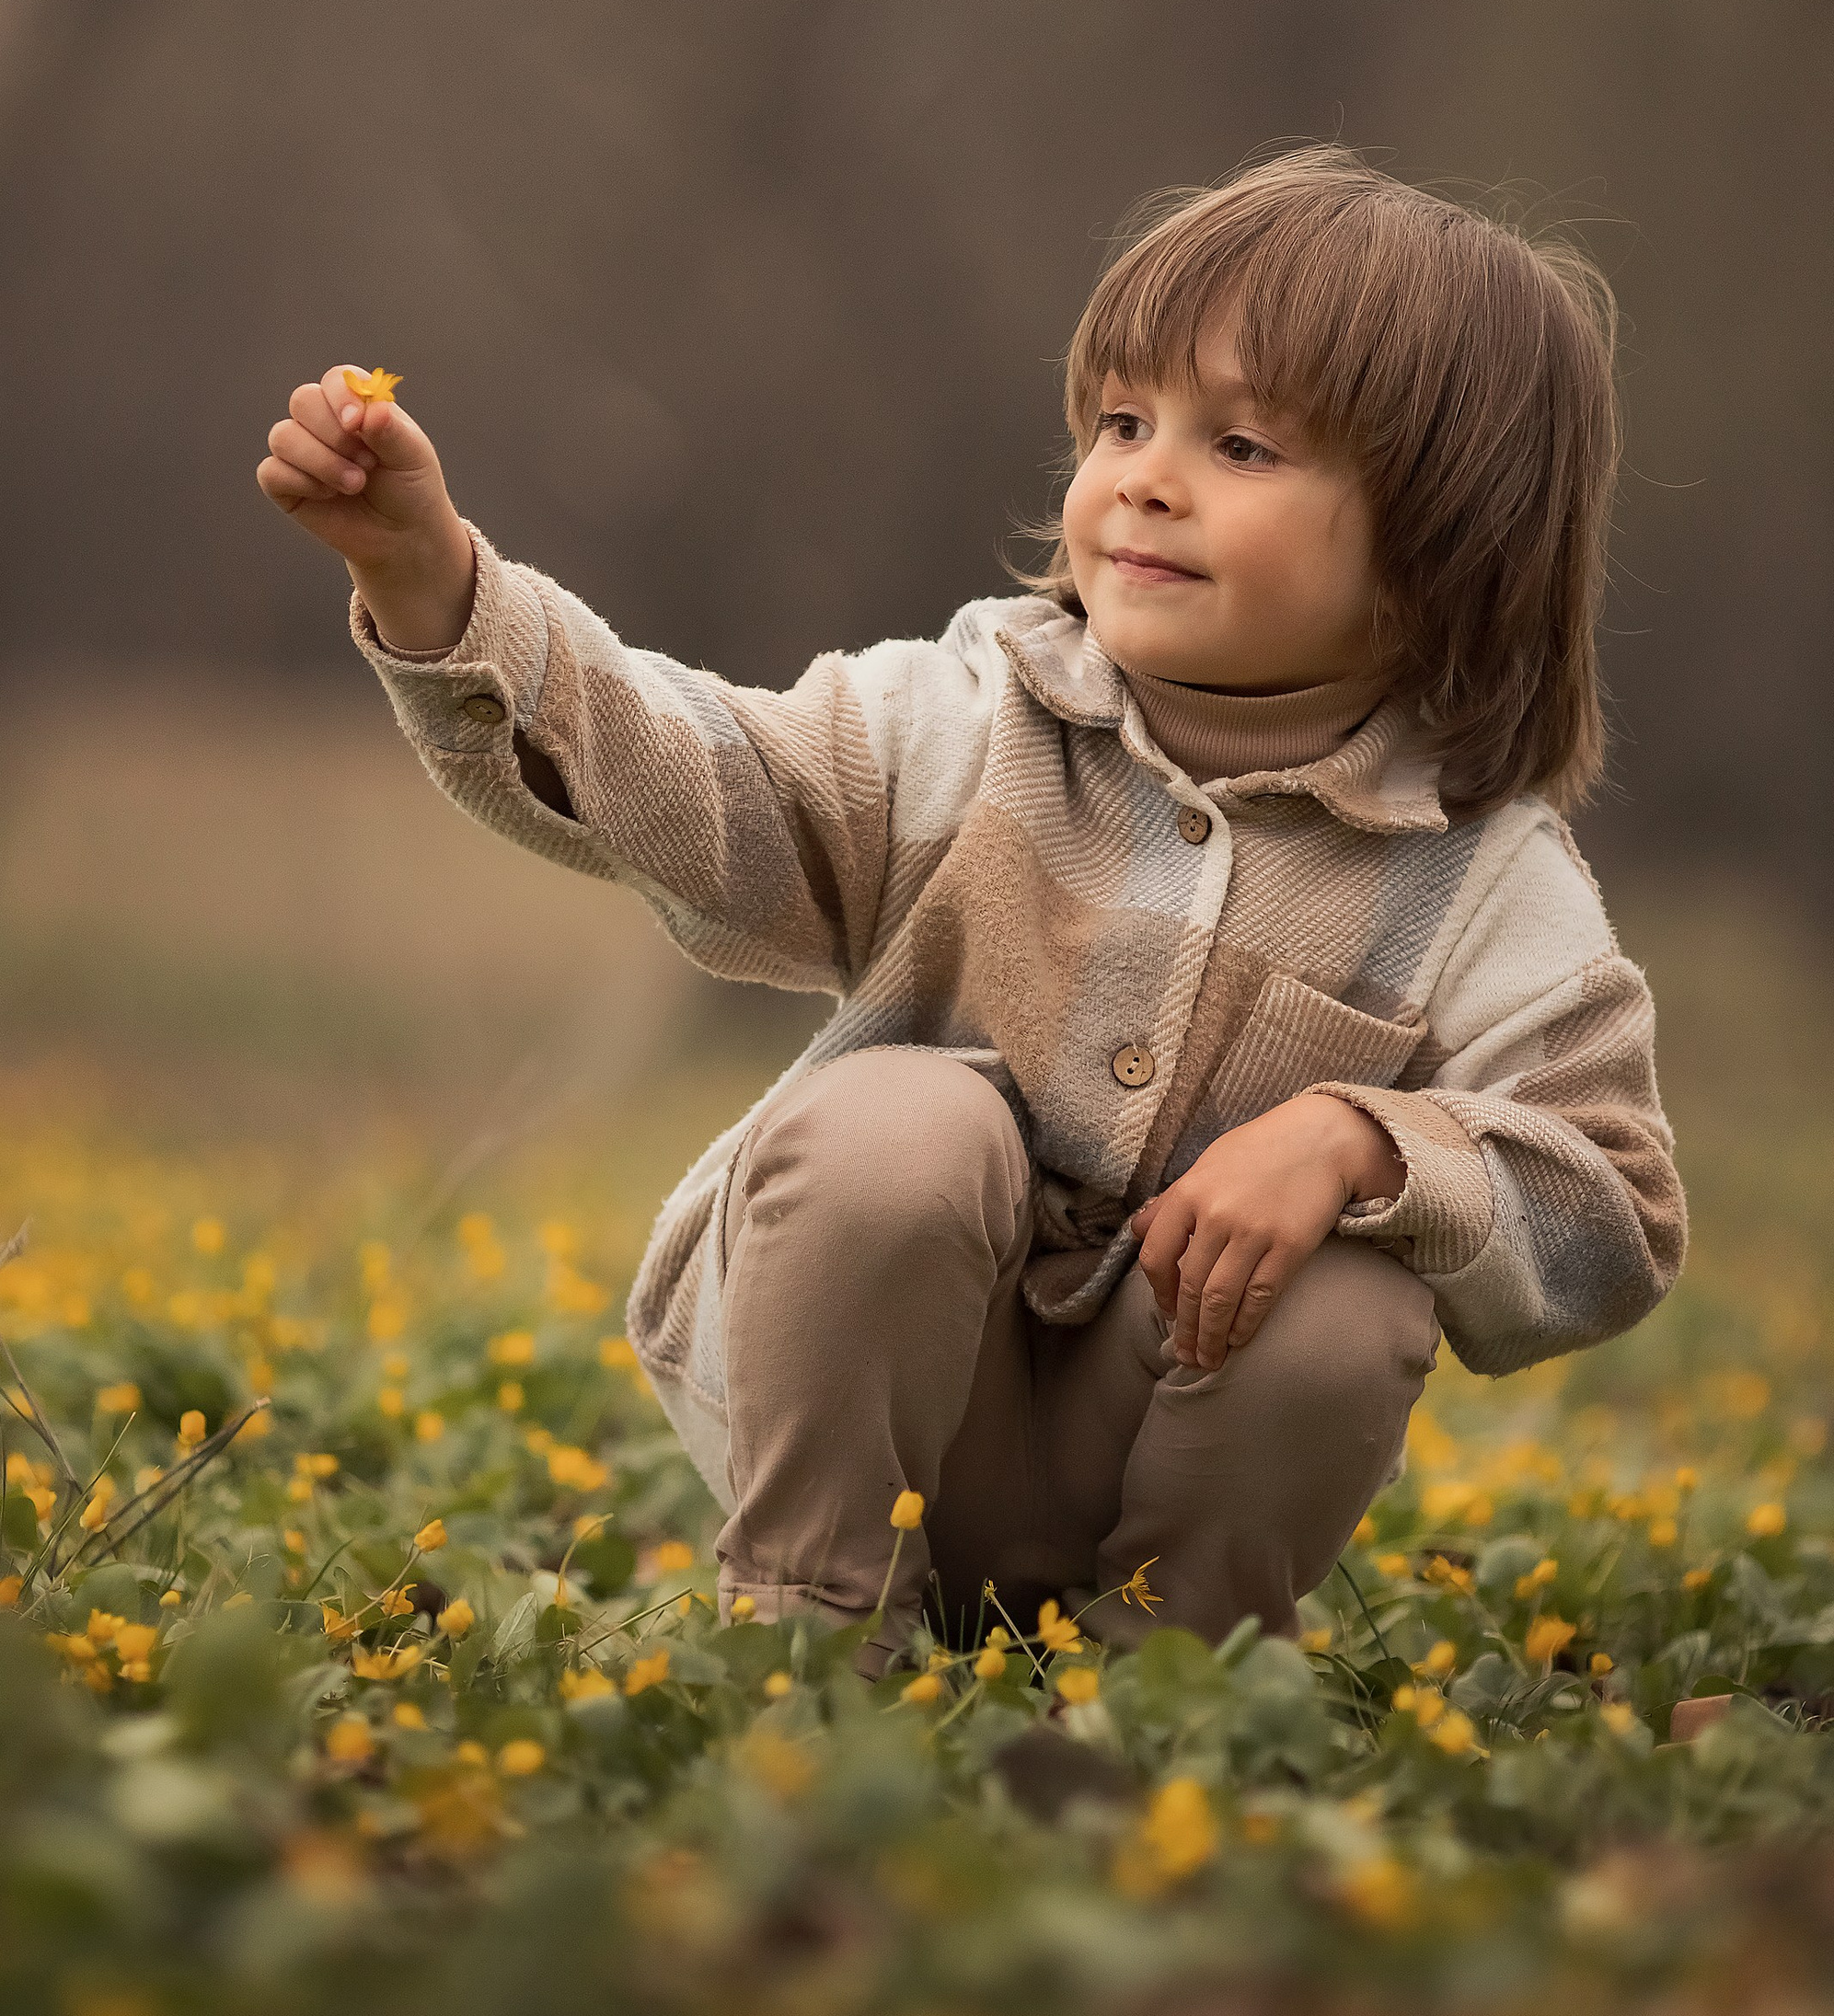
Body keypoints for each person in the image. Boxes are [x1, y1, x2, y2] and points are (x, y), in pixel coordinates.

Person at [257, 149, 1684, 1658]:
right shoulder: (969, 718)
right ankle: (810, 1635)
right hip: (868, 1411)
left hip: (1159, 1446)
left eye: (1242, 445)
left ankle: (1159, 1694)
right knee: (899, 1126)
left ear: (1444, 543)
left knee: (1348, 1307)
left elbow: (1615, 1209)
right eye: (1123, 421)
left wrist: (1363, 1145)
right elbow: (700, 776)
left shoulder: (1481, 881)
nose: (1145, 476)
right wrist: (439, 587)